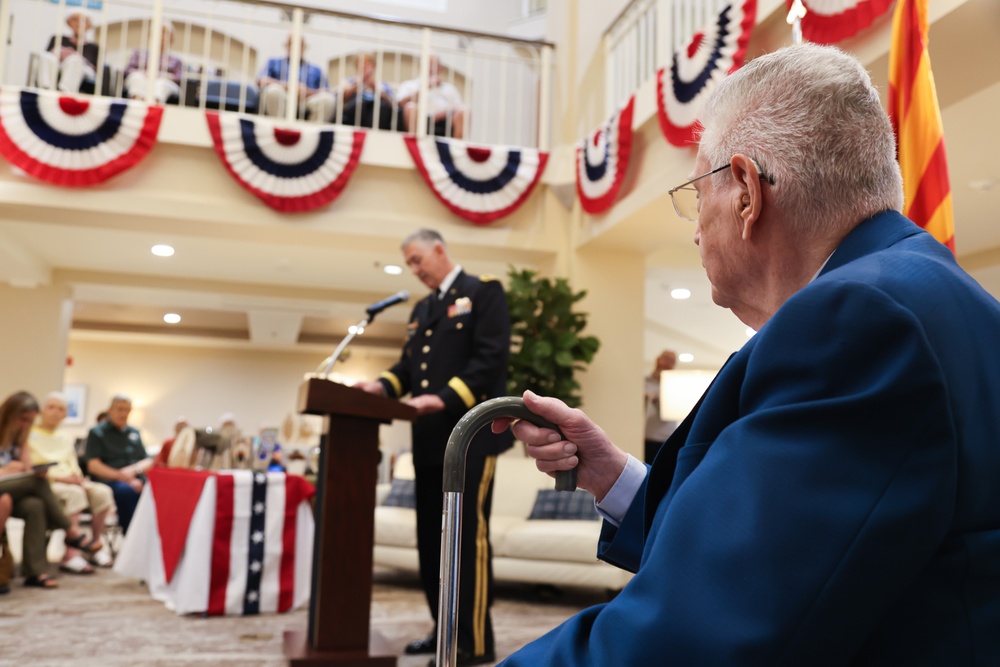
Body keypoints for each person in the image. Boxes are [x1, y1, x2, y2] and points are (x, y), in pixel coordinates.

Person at [491, 43, 1000, 665]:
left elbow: (703, 630)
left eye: (696, 193)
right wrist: (613, 477)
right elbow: (808, 547)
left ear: (746, 192)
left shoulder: (857, 322)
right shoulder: (917, 290)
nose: (697, 227)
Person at [356, 228, 512, 667]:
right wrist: (379, 385)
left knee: (467, 539)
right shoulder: (423, 308)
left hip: (471, 436)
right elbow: (409, 367)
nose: (415, 269)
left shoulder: (482, 292)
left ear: (439, 251)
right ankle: (442, 628)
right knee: (432, 541)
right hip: (427, 440)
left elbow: (490, 359)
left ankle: (476, 641)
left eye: (417, 259)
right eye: (409, 263)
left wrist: (443, 398)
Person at [0, 391, 98, 589]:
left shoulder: (21, 436)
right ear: (10, 414)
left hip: (12, 489)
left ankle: (34, 572)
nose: (26, 425)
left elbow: (27, 467)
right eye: (23, 420)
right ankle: (71, 532)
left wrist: (27, 465)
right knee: (38, 483)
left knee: (35, 505)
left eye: (30, 421)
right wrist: (5, 470)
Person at [29, 392, 116, 572]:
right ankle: (70, 554)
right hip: (49, 482)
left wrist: (78, 478)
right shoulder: (30, 434)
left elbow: (73, 463)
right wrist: (63, 479)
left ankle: (95, 545)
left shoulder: (64, 437)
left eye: (60, 409)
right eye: (51, 407)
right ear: (41, 411)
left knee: (103, 492)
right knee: (75, 494)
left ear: (65, 415)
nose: (55, 412)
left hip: (71, 480)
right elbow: (33, 467)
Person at [84, 394, 153, 534]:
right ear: (110, 410)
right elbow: (93, 466)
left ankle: (150, 535)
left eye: (127, 410)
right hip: (110, 480)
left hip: (135, 477)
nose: (123, 413)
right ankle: (132, 536)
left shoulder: (134, 432)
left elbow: (148, 460)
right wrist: (123, 477)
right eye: (120, 409)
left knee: (157, 490)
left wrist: (134, 470)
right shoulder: (97, 432)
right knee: (127, 492)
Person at [258, 35, 335, 123]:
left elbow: (327, 91)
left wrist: (305, 92)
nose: (295, 47)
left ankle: (310, 134)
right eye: (291, 43)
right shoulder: (273, 62)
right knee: (273, 91)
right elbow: (262, 80)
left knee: (328, 100)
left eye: (299, 44)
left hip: (308, 100)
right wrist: (287, 87)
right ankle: (280, 130)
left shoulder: (316, 70)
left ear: (305, 47)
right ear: (285, 45)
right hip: (283, 96)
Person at [397, 54, 467, 139]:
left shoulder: (449, 89)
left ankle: (456, 147)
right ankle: (415, 144)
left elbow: (458, 107)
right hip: (420, 119)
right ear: (421, 66)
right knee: (411, 107)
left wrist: (446, 112)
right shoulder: (410, 85)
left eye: (435, 64)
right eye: (428, 63)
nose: (431, 67)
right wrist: (426, 86)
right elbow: (400, 103)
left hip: (445, 121)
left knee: (464, 111)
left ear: (440, 68)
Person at [335, 52, 403, 131]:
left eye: (367, 63)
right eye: (361, 63)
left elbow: (394, 105)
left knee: (382, 107)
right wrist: (354, 87)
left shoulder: (382, 85)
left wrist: (379, 91)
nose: (364, 65)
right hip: (354, 112)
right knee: (360, 103)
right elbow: (339, 97)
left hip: (378, 115)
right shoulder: (349, 81)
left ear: (373, 66)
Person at [35, 10, 99, 93]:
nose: (78, 23)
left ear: (89, 25)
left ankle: (65, 92)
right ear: (69, 23)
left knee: (74, 60)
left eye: (83, 20)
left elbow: (96, 69)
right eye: (75, 20)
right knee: (46, 56)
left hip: (83, 69)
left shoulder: (94, 47)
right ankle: (45, 89)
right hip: (59, 65)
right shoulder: (57, 39)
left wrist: (78, 57)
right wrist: (57, 52)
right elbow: (46, 55)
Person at [124, 22, 182, 104]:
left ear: (171, 38)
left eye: (165, 33)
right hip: (143, 79)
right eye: (159, 32)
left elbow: (179, 78)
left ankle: (153, 108)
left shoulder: (176, 59)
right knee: (136, 78)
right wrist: (145, 73)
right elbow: (128, 70)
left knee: (161, 83)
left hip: (164, 82)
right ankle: (137, 106)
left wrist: (161, 75)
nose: (161, 36)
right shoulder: (138, 54)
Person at [642, 349, 677, 464]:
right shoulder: (644, 382)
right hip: (648, 437)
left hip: (667, 438)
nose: (668, 364)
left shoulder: (675, 387)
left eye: (672, 362)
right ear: (658, 359)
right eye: (666, 359)